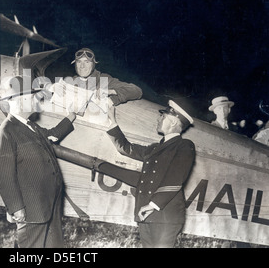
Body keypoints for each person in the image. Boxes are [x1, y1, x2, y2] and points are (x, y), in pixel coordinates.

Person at [0, 76, 76, 248]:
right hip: (32, 209)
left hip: (49, 203)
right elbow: (5, 176)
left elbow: (52, 134)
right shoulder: (6, 132)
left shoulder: (30, 126)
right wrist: (16, 208)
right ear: (21, 100)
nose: (37, 99)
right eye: (33, 96)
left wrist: (71, 117)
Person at [106, 100, 196, 248]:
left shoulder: (184, 146)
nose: (158, 119)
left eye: (163, 117)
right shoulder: (155, 148)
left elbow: (175, 179)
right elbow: (126, 148)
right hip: (146, 214)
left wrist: (153, 205)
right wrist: (112, 121)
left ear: (173, 122)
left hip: (165, 216)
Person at [70, 47, 143, 107]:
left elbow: (137, 91)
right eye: (79, 62)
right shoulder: (72, 81)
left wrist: (111, 93)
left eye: (87, 62)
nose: (82, 66)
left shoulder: (103, 80)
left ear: (93, 65)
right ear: (75, 64)